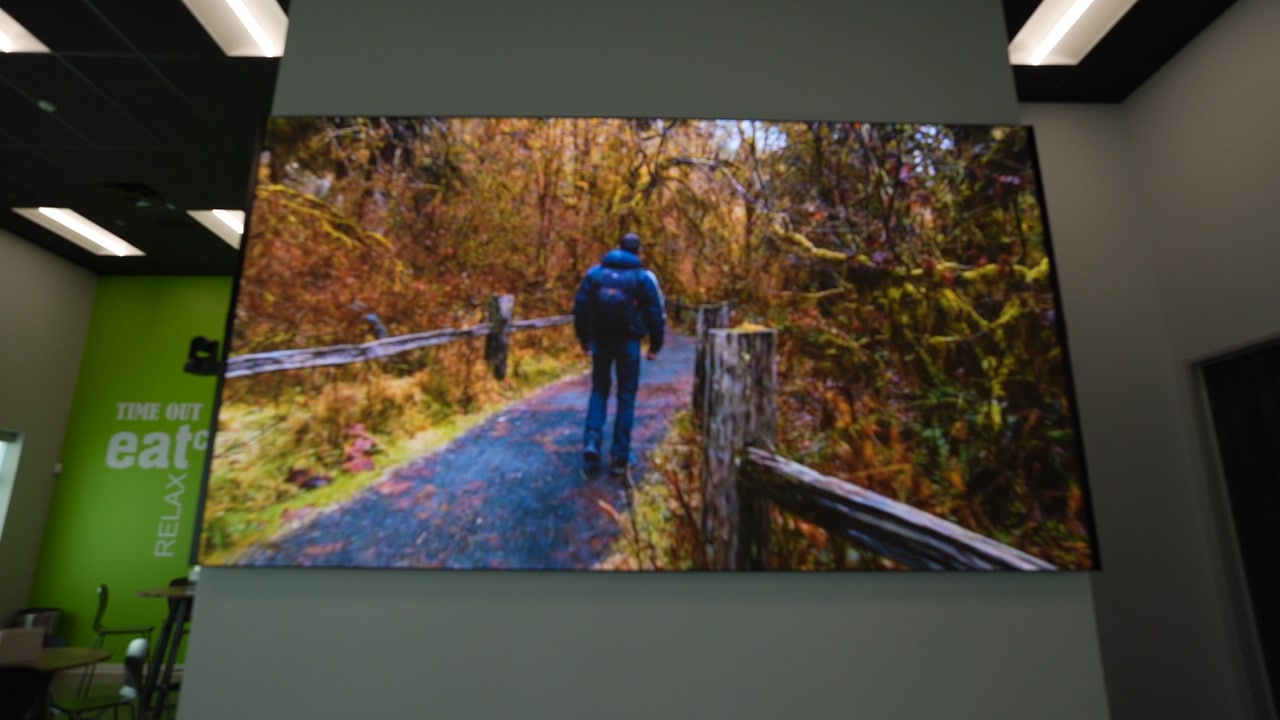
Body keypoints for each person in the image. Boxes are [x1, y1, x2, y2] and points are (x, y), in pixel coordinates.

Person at [573, 232, 665, 475]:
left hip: (601, 341)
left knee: (599, 390)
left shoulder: (595, 274)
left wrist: (584, 339)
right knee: (626, 396)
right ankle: (620, 457)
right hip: (629, 343)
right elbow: (655, 313)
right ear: (638, 251)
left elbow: (581, 307)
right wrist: (656, 345)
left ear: (618, 248)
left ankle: (592, 444)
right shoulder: (642, 278)